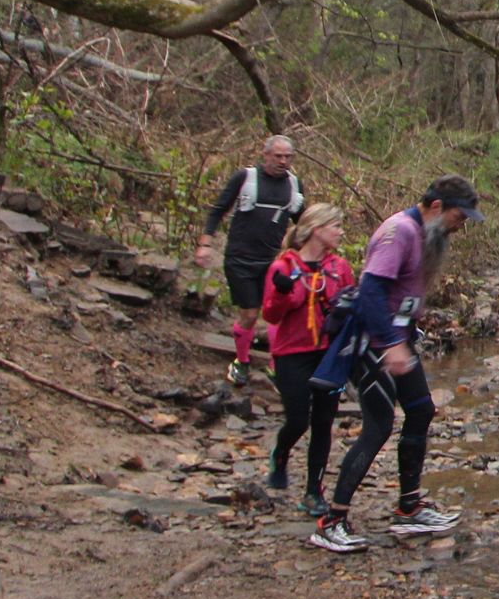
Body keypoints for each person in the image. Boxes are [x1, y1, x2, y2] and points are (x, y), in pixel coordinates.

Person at [308, 175, 481, 553]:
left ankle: (409, 509)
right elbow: (371, 289)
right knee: (379, 426)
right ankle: (331, 521)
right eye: (459, 216)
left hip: (399, 339)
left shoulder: (428, 234)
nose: (460, 224)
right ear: (436, 207)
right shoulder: (398, 231)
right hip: (374, 341)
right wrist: (389, 345)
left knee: (420, 411)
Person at [258, 203, 353, 517]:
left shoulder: (339, 268)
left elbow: (350, 305)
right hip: (292, 352)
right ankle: (281, 453)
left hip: (327, 353)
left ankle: (314, 491)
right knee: (298, 418)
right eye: (335, 226)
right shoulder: (283, 267)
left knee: (324, 422)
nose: (340, 232)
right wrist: (283, 294)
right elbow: (271, 314)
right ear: (316, 229)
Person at [195, 135, 305, 385]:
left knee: (276, 313)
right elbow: (218, 210)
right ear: (265, 154)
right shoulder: (245, 178)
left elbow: (302, 223)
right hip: (240, 258)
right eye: (278, 156)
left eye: (288, 157)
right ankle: (242, 361)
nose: (283, 161)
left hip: (274, 260)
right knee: (249, 313)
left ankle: (275, 365)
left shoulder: (294, 185)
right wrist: (205, 243)